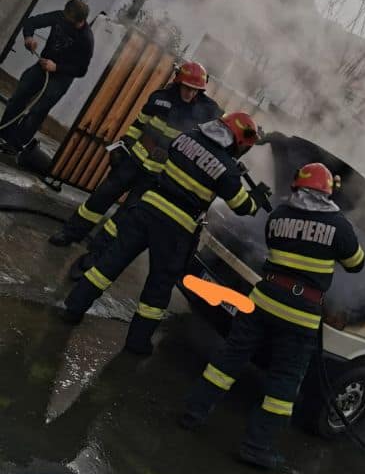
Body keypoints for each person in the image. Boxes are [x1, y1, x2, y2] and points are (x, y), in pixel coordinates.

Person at [180, 162, 365, 470]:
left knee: (229, 359)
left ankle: (192, 413)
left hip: (263, 300)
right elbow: (356, 263)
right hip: (300, 315)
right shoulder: (340, 227)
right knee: (283, 382)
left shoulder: (279, 216)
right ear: (327, 192)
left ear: (298, 187)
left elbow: (274, 244)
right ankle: (257, 446)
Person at [60, 112, 268, 355]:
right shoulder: (228, 170)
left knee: (109, 263)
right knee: (158, 286)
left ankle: (72, 309)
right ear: (237, 140)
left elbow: (188, 163)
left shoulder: (187, 137)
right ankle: (137, 342)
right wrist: (258, 197)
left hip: (146, 208)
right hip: (175, 227)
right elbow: (243, 207)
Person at [49, 62, 222, 274]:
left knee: (123, 217)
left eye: (195, 89)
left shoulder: (207, 112)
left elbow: (224, 133)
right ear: (178, 82)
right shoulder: (160, 98)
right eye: (187, 87)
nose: (190, 92)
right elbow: (138, 124)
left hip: (158, 176)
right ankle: (70, 232)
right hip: (133, 161)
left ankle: (93, 256)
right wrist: (122, 146)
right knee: (99, 198)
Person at [0, 0, 94, 153]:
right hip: (42, 66)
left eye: (69, 19)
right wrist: (28, 37)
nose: (65, 20)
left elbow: (81, 70)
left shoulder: (86, 39)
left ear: (79, 20)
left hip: (61, 77)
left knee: (38, 110)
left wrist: (56, 67)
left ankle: (15, 144)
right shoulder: (60, 17)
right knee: (20, 94)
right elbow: (31, 22)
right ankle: (4, 131)